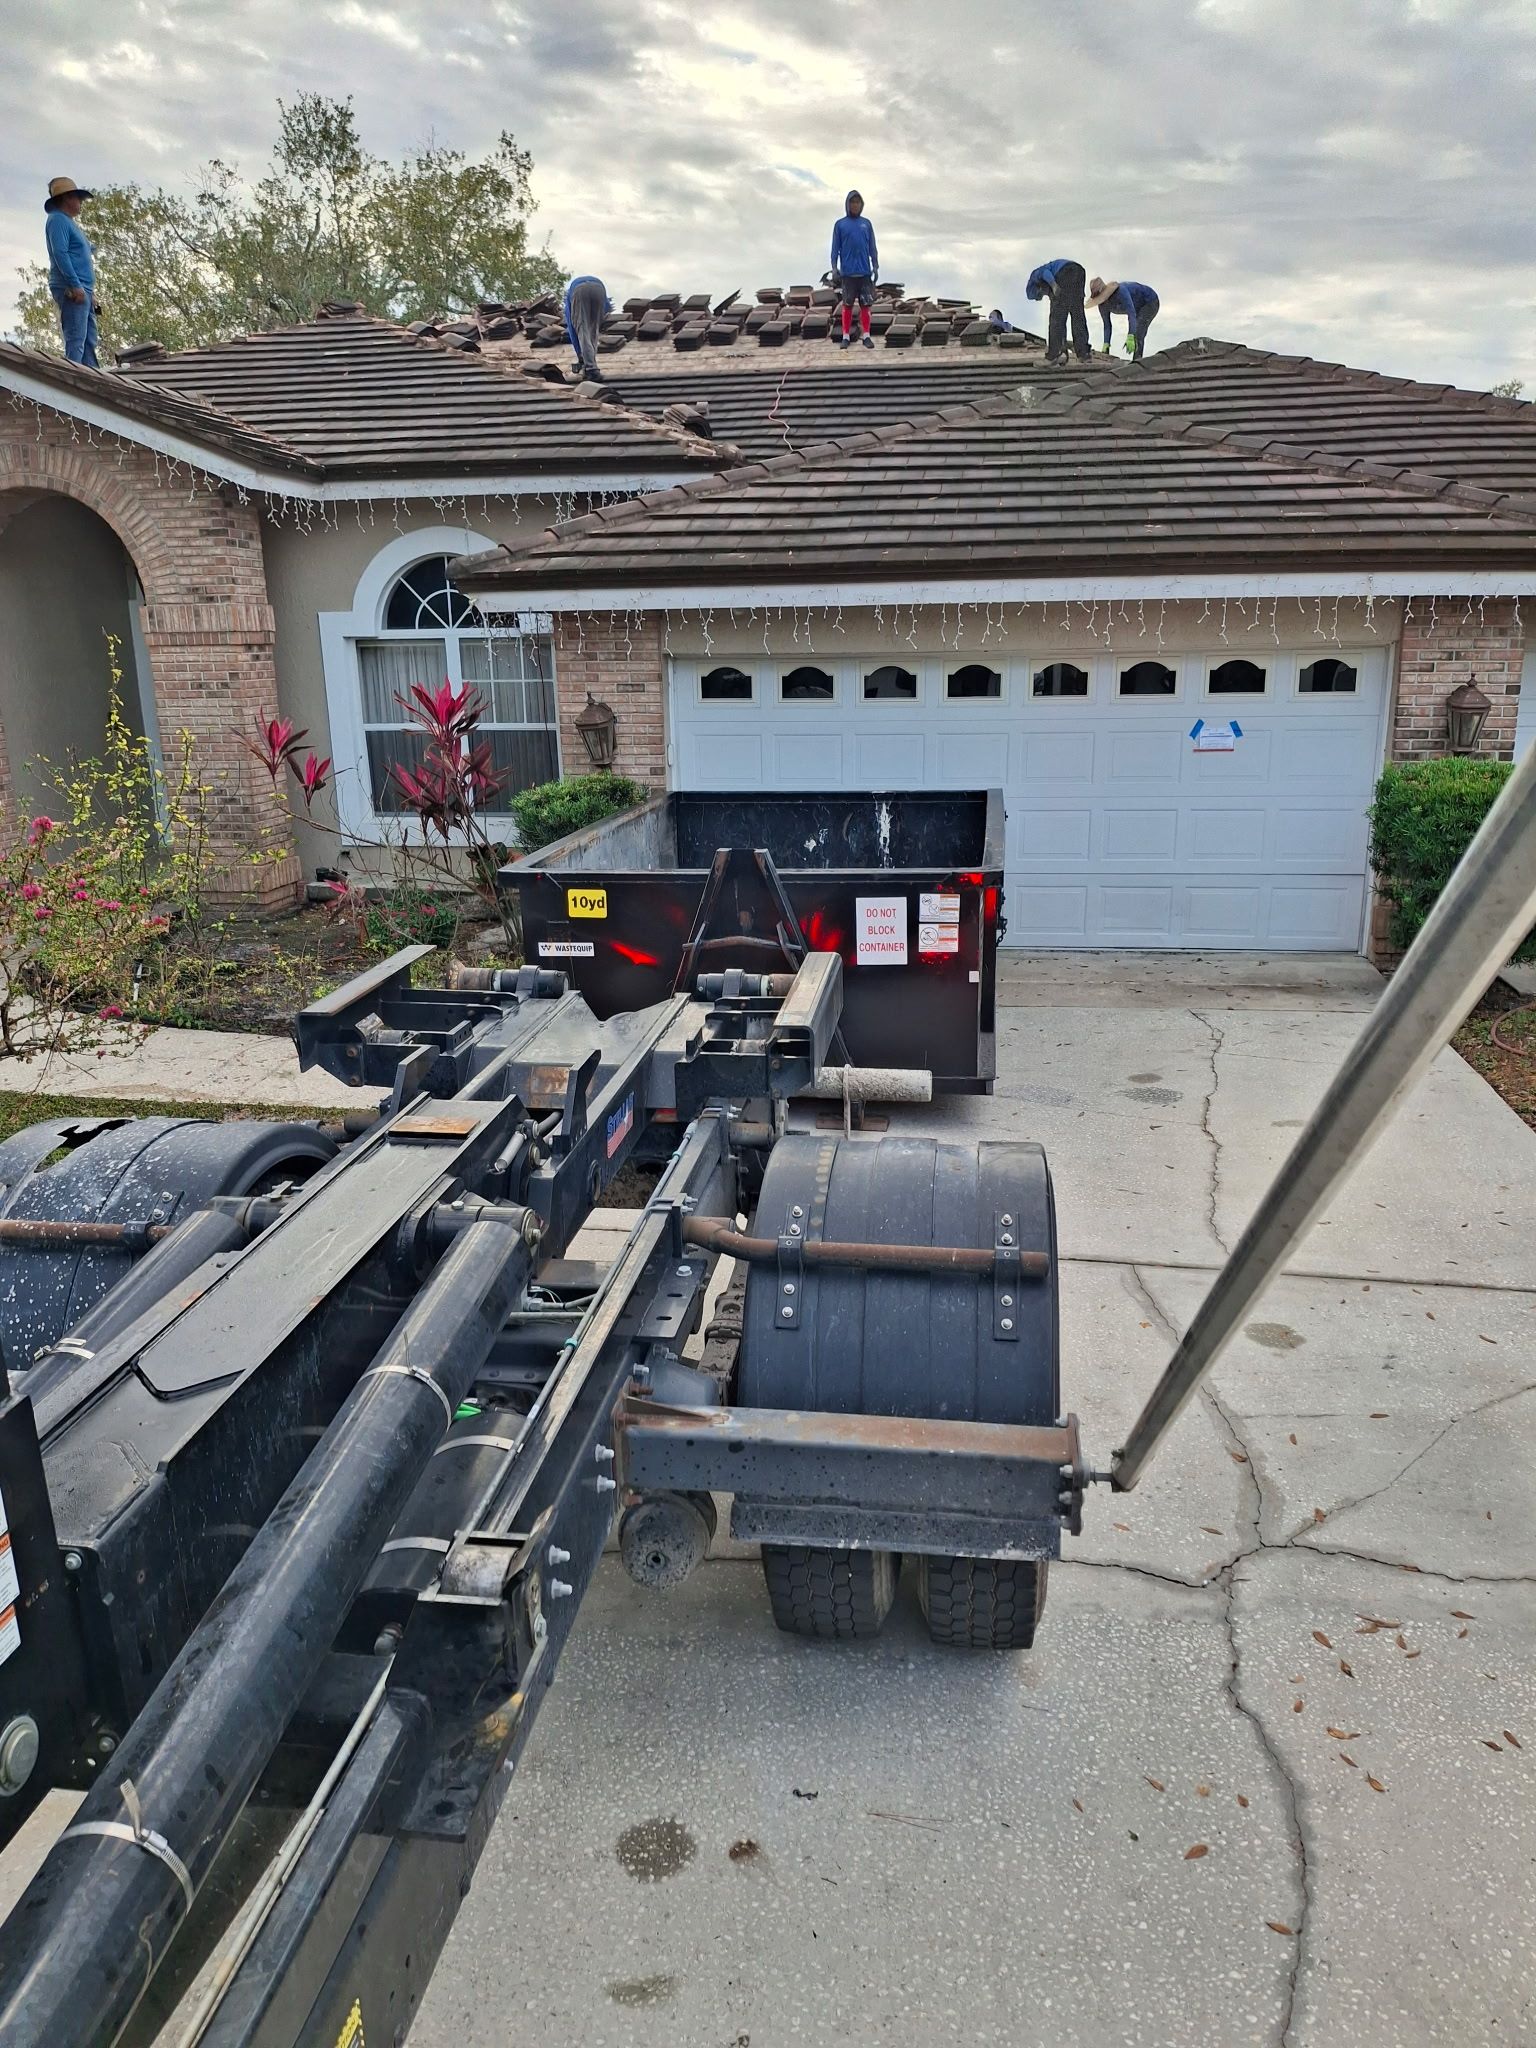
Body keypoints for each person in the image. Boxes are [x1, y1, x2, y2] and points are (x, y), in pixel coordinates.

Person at [43, 176, 99, 367]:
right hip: (72, 288)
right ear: (67, 198)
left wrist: (89, 291)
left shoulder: (68, 222)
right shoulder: (57, 220)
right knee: (76, 339)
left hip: (83, 288)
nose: (80, 202)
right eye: (78, 198)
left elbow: (80, 255)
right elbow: (60, 253)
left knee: (89, 339)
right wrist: (75, 285)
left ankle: (92, 377)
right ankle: (73, 377)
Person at [829, 191, 878, 350]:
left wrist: (875, 265)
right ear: (848, 205)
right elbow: (835, 248)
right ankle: (845, 336)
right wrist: (834, 267)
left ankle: (866, 336)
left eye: (858, 202)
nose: (855, 205)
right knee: (847, 305)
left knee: (865, 305)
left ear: (861, 205)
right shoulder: (840, 224)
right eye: (852, 202)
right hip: (848, 273)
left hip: (864, 272)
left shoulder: (866, 224)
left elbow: (872, 247)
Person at [1024, 258, 1090, 365]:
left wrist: (1054, 285)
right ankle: (1083, 354)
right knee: (1077, 315)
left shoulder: (1035, 275)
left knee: (1056, 318)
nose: (1042, 296)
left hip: (1065, 272)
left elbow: (1045, 273)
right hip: (1079, 271)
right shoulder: (1046, 281)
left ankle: (1053, 355)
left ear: (1036, 288)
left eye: (1039, 295)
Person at [1088, 277, 1160, 360]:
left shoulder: (1121, 292)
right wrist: (1106, 344)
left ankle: (1137, 359)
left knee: (1139, 330)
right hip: (1136, 306)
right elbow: (1107, 325)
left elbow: (1131, 314)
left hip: (1150, 301)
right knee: (1137, 327)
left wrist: (1130, 335)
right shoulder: (1102, 305)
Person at [563, 274, 611, 381]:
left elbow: (573, 330)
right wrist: (599, 321)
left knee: (583, 330)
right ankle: (591, 363)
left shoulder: (568, 306)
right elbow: (607, 308)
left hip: (580, 289)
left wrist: (579, 354)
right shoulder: (571, 294)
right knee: (593, 331)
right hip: (599, 287)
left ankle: (591, 370)